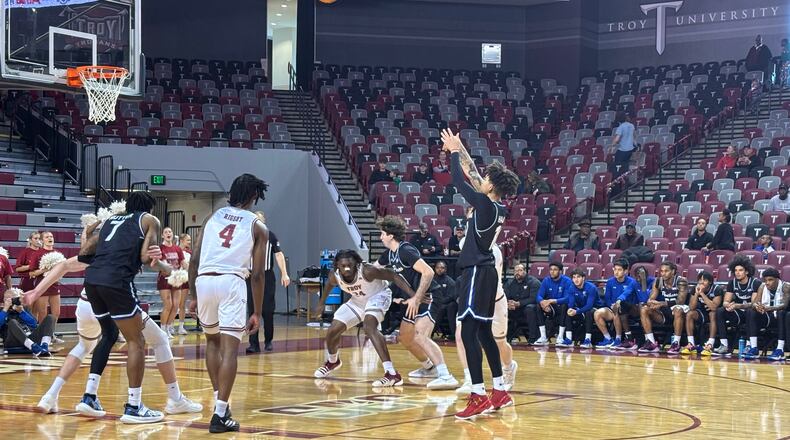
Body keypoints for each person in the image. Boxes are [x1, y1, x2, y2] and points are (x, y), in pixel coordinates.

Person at [29, 243, 202, 418]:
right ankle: (173, 399)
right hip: (115, 302)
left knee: (84, 346)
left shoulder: (103, 247)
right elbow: (161, 267)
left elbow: (64, 265)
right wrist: (163, 262)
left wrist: (36, 291)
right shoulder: (130, 243)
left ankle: (50, 396)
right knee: (159, 340)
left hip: (86, 302)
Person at [441, 128, 520, 419]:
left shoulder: (485, 204)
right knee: (485, 333)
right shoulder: (497, 207)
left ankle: (478, 395)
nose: (483, 181)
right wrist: (460, 149)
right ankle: (499, 390)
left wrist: (452, 154)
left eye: (487, 179)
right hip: (487, 273)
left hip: (476, 272)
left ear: (492, 186)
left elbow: (460, 183)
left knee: (469, 333)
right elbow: (473, 177)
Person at [187, 173, 270, 433]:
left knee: (211, 343)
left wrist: (193, 294)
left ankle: (219, 404)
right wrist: (257, 311)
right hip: (232, 282)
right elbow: (257, 274)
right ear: (255, 196)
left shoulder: (212, 216)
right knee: (230, 350)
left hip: (204, 280)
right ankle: (220, 414)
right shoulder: (258, 226)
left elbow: (194, 259)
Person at [81, 191, 173, 423]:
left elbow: (84, 253)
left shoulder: (112, 220)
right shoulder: (149, 220)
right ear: (149, 208)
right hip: (117, 281)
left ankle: (89, 396)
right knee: (136, 341)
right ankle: (134, 406)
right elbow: (145, 258)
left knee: (109, 334)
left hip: (92, 280)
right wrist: (167, 268)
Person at [375, 215, 457, 389]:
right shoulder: (389, 254)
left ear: (390, 235)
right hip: (414, 299)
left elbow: (428, 272)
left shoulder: (406, 250)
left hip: (429, 296)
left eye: (382, 233)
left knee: (420, 334)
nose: (380, 237)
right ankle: (429, 368)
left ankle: (445, 375)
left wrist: (416, 299)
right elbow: (373, 269)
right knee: (405, 337)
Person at [312, 249, 413, 388]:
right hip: (358, 301)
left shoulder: (367, 271)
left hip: (379, 295)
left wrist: (413, 295)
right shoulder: (334, 275)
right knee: (332, 330)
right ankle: (333, 361)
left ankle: (392, 373)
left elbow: (393, 276)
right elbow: (329, 285)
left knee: (369, 327)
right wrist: (321, 303)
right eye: (343, 265)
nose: (347, 268)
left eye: (350, 265)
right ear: (337, 266)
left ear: (356, 264)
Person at [455, 244, 518, 394]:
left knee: (499, 342)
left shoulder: (493, 251)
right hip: (472, 297)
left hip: (494, 300)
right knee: (461, 335)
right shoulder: (468, 241)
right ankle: (469, 378)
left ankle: (509, 367)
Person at [246, 211, 290, 353]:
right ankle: (253, 344)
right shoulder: (247, 236)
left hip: (266, 276)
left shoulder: (270, 236)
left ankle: (268, 341)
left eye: (259, 220)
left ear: (263, 222)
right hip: (251, 275)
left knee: (268, 310)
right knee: (252, 310)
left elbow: (279, 254)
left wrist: (284, 273)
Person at [713, 255, 762, 356]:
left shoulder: (755, 283)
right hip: (739, 313)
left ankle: (750, 345)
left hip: (753, 314)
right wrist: (728, 305)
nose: (737, 273)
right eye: (735, 270)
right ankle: (724, 344)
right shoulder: (732, 283)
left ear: (747, 271)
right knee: (720, 311)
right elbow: (725, 301)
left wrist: (736, 306)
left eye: (740, 270)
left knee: (750, 311)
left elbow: (753, 304)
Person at [638, 261, 689, 354]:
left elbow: (680, 301)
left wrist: (661, 303)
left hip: (682, 312)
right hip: (666, 312)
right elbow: (652, 297)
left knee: (677, 309)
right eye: (661, 271)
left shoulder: (681, 281)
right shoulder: (658, 281)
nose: (663, 273)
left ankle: (675, 343)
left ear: (673, 271)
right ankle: (651, 343)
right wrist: (651, 302)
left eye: (666, 271)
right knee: (644, 309)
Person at [742, 268, 788, 360]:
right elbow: (755, 303)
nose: (767, 282)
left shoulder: (786, 286)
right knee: (751, 311)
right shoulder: (762, 286)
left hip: (782, 317)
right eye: (765, 280)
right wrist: (758, 307)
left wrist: (769, 308)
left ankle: (780, 349)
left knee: (781, 313)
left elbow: (784, 305)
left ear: (777, 279)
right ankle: (754, 347)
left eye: (770, 280)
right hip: (768, 316)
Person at [594, 259, 640, 349]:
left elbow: (634, 299)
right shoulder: (610, 281)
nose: (616, 272)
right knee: (597, 313)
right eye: (615, 269)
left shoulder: (632, 282)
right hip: (613, 307)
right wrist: (611, 304)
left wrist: (618, 305)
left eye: (619, 270)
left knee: (617, 310)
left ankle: (618, 339)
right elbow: (607, 298)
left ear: (626, 271)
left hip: (627, 310)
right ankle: (607, 338)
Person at [28, 231, 62, 341]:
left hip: (54, 286)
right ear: (42, 240)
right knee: (42, 312)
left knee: (56, 312)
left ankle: (51, 334)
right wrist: (46, 269)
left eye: (51, 236)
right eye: (47, 237)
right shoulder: (37, 254)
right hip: (41, 286)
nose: (49, 238)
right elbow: (32, 273)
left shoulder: (58, 254)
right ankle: (43, 335)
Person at [681, 271, 723, 356]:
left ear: (710, 282)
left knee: (712, 313)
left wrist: (702, 294)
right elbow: (692, 307)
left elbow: (714, 307)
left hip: (716, 315)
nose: (701, 282)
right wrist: (697, 294)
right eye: (700, 280)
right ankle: (691, 343)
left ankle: (710, 344)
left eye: (704, 280)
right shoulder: (695, 289)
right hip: (702, 313)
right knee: (690, 314)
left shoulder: (717, 289)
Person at [0, 288, 52, 357]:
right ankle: (32, 346)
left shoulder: (24, 308)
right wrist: (5, 310)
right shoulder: (1, 310)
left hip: (29, 337)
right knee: (12, 322)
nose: (9, 300)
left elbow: (34, 324)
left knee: (50, 318)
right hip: (12, 341)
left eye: (12, 298)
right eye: (6, 298)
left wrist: (22, 312)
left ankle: (44, 346)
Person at [558, 268, 601, 349]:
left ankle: (588, 340)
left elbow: (589, 305)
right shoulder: (571, 288)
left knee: (588, 311)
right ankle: (569, 339)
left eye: (578, 277)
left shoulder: (591, 287)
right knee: (569, 311)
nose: (576, 279)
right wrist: (571, 309)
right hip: (581, 309)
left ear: (583, 278)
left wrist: (576, 312)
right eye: (574, 277)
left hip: (595, 309)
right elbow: (571, 302)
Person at [532, 262, 573, 346]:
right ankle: (543, 337)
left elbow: (567, 298)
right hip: (551, 307)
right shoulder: (546, 280)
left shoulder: (567, 281)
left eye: (555, 270)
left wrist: (551, 301)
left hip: (563, 306)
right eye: (551, 270)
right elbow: (539, 296)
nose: (552, 272)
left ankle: (560, 336)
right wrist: (543, 303)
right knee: (538, 306)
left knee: (564, 306)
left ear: (560, 271)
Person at [157, 227, 185, 337]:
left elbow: (183, 263)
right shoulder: (160, 248)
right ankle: (162, 329)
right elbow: (160, 264)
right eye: (166, 232)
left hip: (177, 279)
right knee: (168, 305)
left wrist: (187, 270)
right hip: (165, 279)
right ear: (162, 236)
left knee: (176, 306)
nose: (168, 234)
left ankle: (168, 328)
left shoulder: (177, 249)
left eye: (170, 232)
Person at [504, 263, 540, 343]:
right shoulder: (510, 283)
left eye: (520, 270)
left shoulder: (533, 282)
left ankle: (533, 338)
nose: (517, 272)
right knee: (501, 308)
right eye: (515, 271)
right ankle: (504, 336)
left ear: (525, 271)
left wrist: (519, 304)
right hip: (513, 308)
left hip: (526, 308)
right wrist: (508, 304)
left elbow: (534, 299)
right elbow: (504, 296)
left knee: (530, 308)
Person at [430, 261, 457, 338]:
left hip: (445, 303)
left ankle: (453, 334)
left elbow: (451, 296)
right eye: (437, 268)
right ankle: (428, 331)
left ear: (445, 269)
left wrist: (440, 302)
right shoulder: (431, 280)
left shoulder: (450, 281)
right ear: (435, 269)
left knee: (446, 307)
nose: (439, 270)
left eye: (442, 268)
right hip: (432, 302)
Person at [14, 231, 42, 300]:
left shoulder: (43, 251)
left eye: (39, 238)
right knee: (27, 305)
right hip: (28, 281)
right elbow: (17, 269)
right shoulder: (25, 252)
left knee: (39, 306)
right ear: (30, 240)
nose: (38, 240)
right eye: (35, 238)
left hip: (41, 280)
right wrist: (31, 266)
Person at [177, 233, 193, 334]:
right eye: (188, 240)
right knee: (173, 305)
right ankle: (168, 326)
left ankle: (181, 327)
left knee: (182, 304)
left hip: (185, 279)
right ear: (182, 240)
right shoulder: (175, 250)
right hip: (175, 279)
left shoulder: (189, 253)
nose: (189, 242)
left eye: (190, 240)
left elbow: (190, 267)